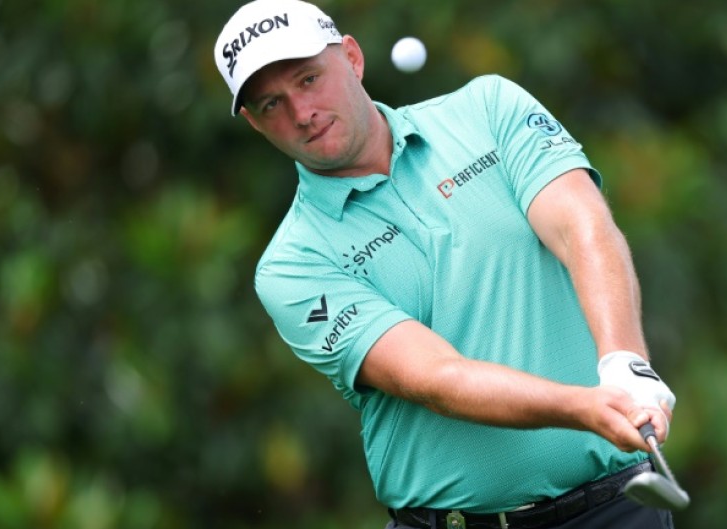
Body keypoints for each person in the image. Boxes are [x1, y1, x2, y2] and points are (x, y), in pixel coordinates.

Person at [213, 1, 679, 527]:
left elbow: (582, 227)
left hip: (612, 512)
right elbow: (437, 377)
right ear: (254, 122)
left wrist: (626, 364)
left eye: (309, 78)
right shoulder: (292, 264)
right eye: (273, 103)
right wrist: (584, 408)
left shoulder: (487, 109)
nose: (302, 112)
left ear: (352, 58)